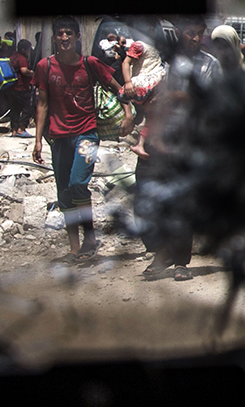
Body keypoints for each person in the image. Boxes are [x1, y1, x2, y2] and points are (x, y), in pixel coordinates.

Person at [33, 16, 133, 264]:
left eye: (69, 33)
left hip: (87, 133)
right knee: (65, 192)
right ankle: (74, 247)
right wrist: (37, 140)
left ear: (77, 37)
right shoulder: (45, 67)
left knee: (78, 183)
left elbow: (117, 87)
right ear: (54, 38)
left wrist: (129, 113)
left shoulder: (90, 64)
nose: (64, 38)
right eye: (60, 34)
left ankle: (89, 236)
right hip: (58, 137)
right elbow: (42, 104)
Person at [138, 15, 220, 280]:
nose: (194, 38)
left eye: (198, 33)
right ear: (179, 33)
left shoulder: (211, 66)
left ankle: (181, 262)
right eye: (189, 33)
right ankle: (161, 252)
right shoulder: (164, 63)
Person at [4, 39, 36, 138]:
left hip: (12, 88)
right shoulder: (22, 59)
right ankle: (21, 128)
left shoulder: (12, 57)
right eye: (27, 49)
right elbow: (24, 71)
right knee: (28, 109)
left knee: (15, 110)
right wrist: (34, 73)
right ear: (23, 49)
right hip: (21, 88)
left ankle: (14, 130)